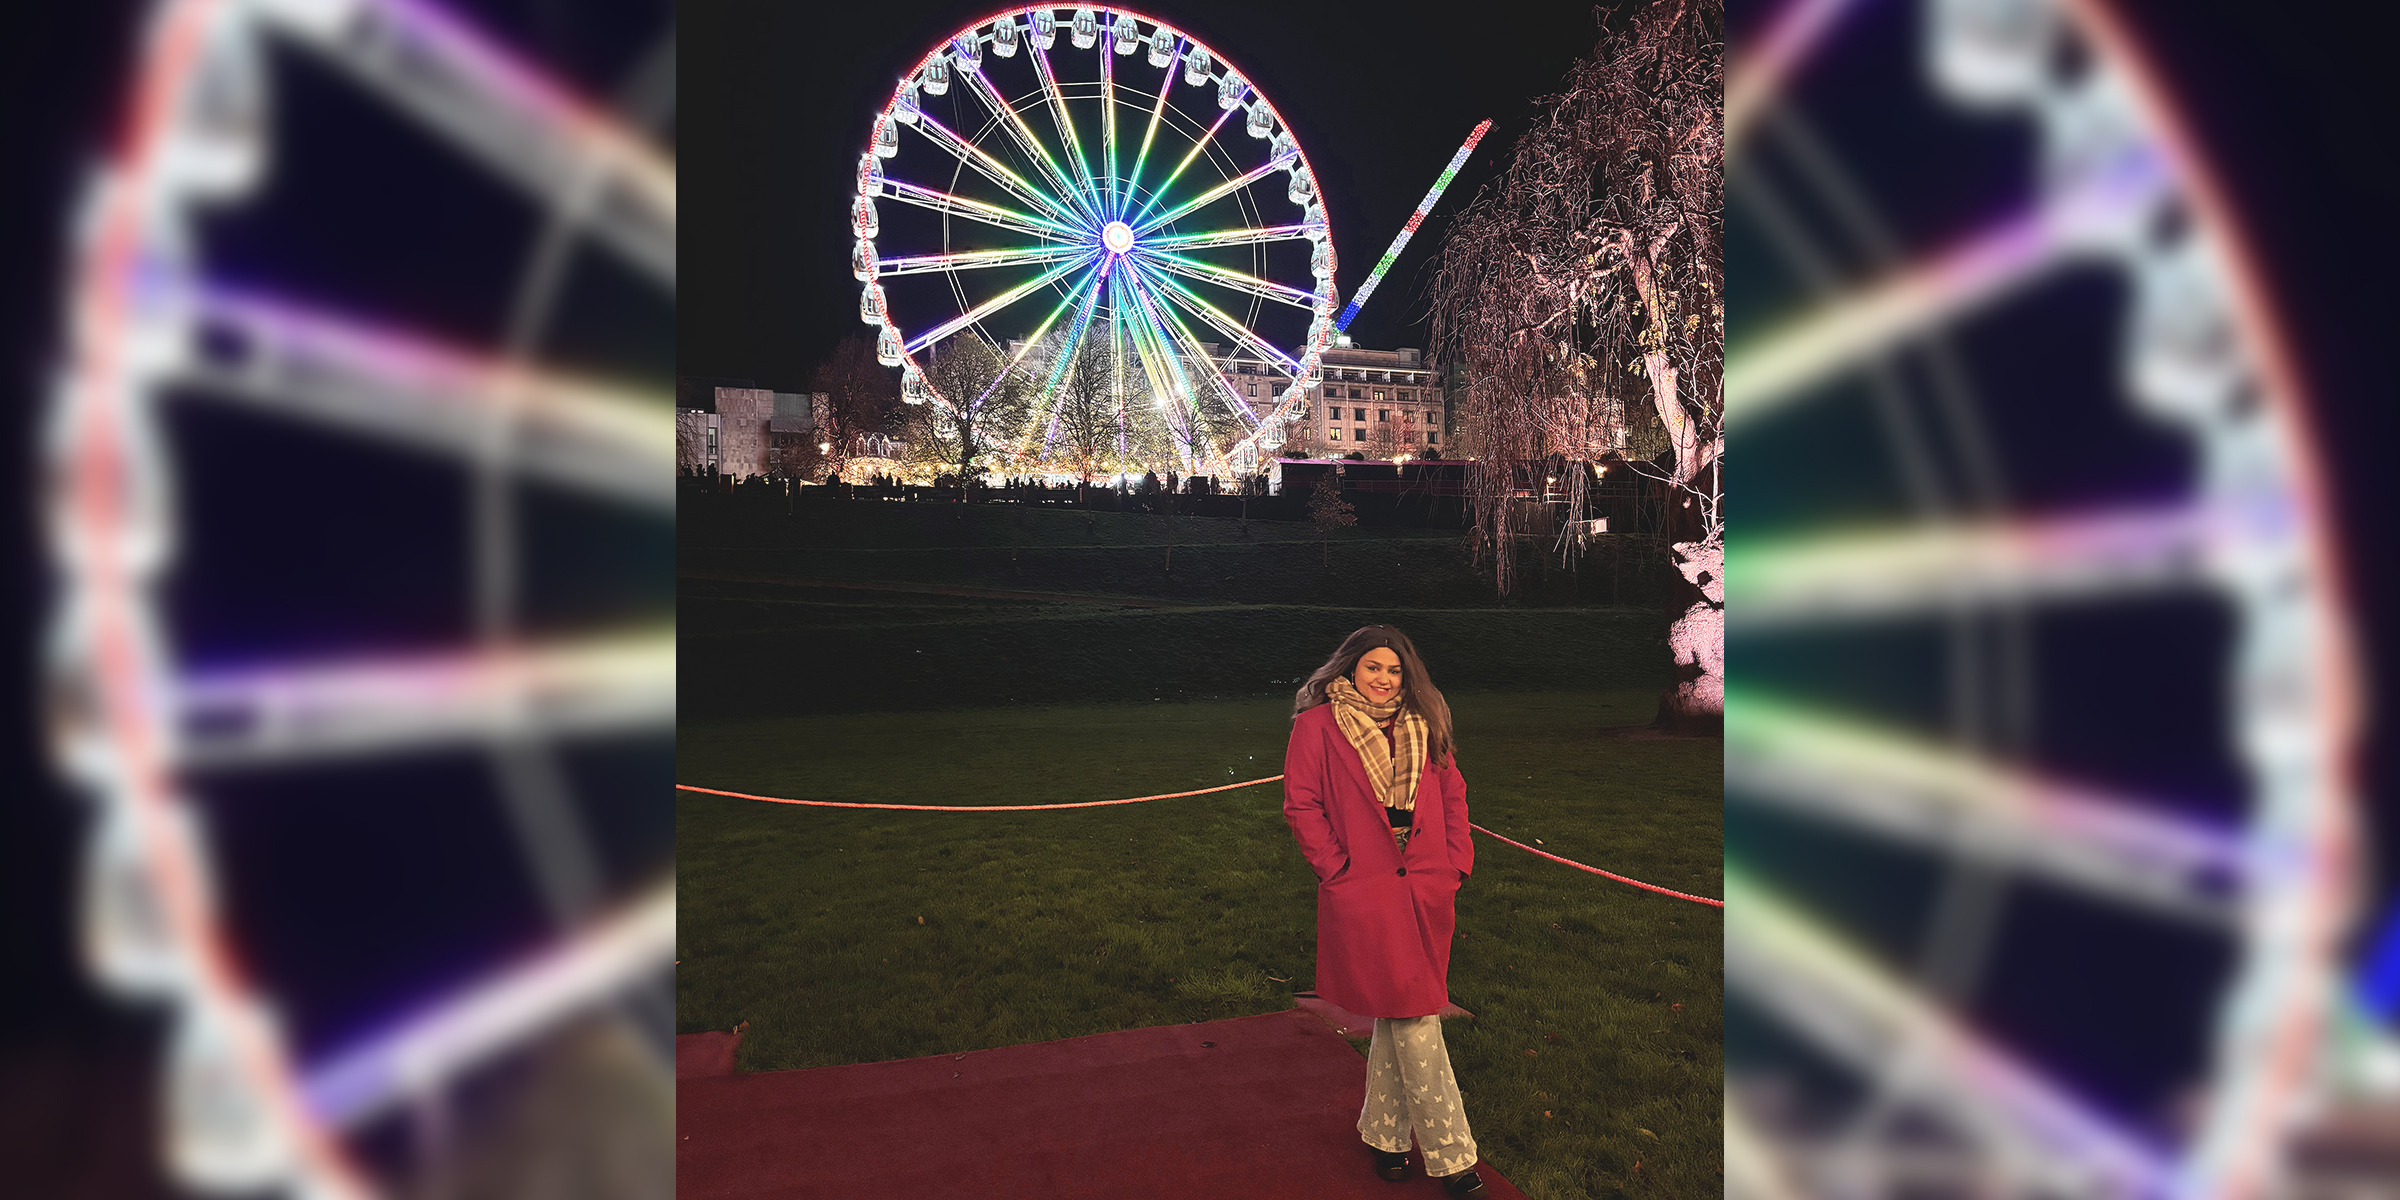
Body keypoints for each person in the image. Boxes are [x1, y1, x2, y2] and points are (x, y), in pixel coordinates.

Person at [1281, 625, 1486, 1198]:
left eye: (1394, 670)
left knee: (1401, 1011)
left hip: (1425, 883)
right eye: (1373, 667)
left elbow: (1453, 796)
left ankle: (1385, 1135)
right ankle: (1454, 1157)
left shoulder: (1426, 720)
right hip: (1364, 886)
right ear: (1349, 670)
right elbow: (1302, 804)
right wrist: (1336, 870)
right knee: (1416, 1012)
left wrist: (1455, 863)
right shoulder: (1317, 725)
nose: (1384, 679)